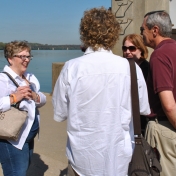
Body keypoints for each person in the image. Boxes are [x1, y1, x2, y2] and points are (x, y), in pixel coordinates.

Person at [53, 7, 150, 176]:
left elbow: (60, 113)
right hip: (120, 159)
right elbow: (142, 109)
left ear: (84, 33)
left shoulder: (71, 68)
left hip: (82, 160)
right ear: (113, 33)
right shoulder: (131, 68)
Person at [0, 40, 46, 176]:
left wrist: (34, 96)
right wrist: (14, 98)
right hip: (11, 139)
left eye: (28, 56)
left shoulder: (30, 77)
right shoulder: (3, 80)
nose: (26, 60)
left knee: (22, 170)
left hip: (27, 136)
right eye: (22, 56)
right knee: (16, 172)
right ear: (10, 59)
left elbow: (42, 100)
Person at [141, 10, 176, 176]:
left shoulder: (159, 55)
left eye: (143, 30)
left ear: (155, 30)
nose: (141, 34)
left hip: (164, 128)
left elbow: (168, 105)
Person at [122, 34, 149, 135]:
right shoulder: (123, 69)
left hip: (141, 122)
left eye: (132, 48)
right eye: (124, 48)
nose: (127, 52)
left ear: (141, 49)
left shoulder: (147, 69)